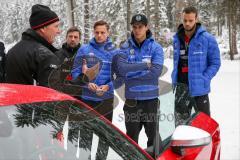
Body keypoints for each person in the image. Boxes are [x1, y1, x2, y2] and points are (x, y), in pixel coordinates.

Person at [112, 14, 164, 153]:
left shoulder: (156, 48)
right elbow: (122, 70)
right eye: (134, 27)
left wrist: (132, 71)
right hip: (131, 102)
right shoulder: (125, 47)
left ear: (146, 27)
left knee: (153, 139)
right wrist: (145, 66)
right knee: (130, 141)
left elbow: (156, 72)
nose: (137, 30)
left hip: (150, 101)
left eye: (140, 27)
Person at [71, 20, 117, 159]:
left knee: (105, 136)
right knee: (86, 135)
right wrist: (86, 84)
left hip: (106, 100)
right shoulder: (84, 50)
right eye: (97, 32)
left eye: (102, 32)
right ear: (93, 32)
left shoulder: (114, 51)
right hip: (87, 99)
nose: (99, 35)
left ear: (108, 32)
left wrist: (108, 86)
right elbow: (75, 72)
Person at [171, 6, 221, 126]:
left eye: (190, 20)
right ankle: (183, 146)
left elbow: (215, 62)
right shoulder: (177, 38)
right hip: (181, 88)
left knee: (204, 126)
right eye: (185, 20)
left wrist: (205, 77)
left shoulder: (207, 39)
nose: (187, 23)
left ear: (196, 19)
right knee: (180, 127)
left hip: (199, 90)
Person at [5, 4, 60, 87]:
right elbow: (52, 94)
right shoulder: (44, 55)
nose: (58, 31)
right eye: (56, 26)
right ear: (43, 28)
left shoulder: (12, 51)